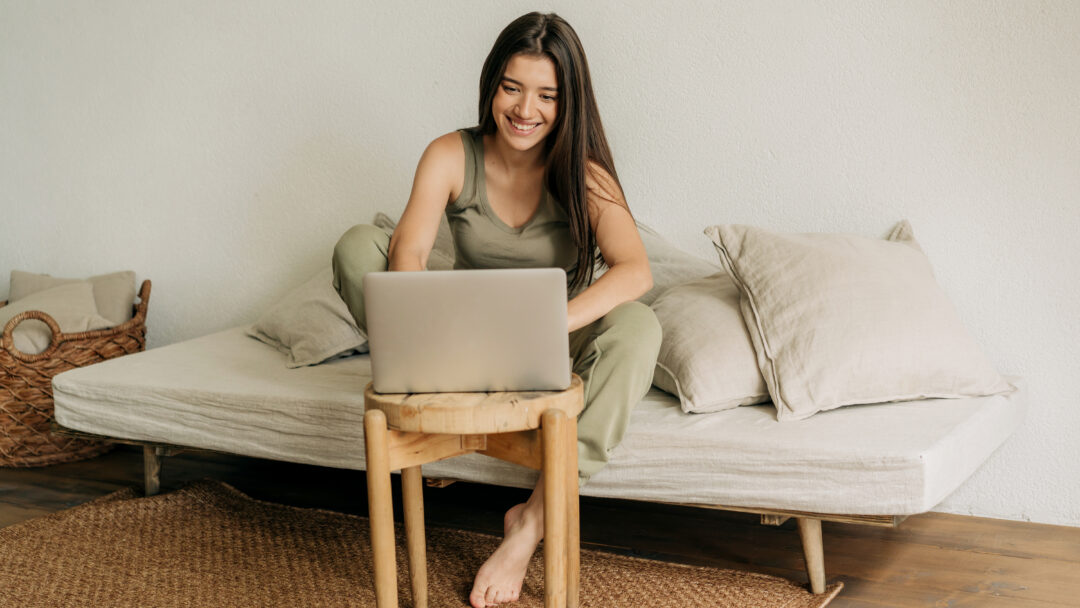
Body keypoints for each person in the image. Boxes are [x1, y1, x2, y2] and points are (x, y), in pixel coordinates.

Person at [332, 12, 661, 607]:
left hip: (548, 339)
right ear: (491, 86)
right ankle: (427, 382)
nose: (525, 109)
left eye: (546, 95)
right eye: (512, 87)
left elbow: (636, 270)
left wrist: (551, 321)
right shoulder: (450, 154)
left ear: (568, 102)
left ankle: (532, 521)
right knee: (357, 243)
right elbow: (406, 253)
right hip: (453, 338)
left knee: (640, 326)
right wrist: (418, 331)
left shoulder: (585, 175)